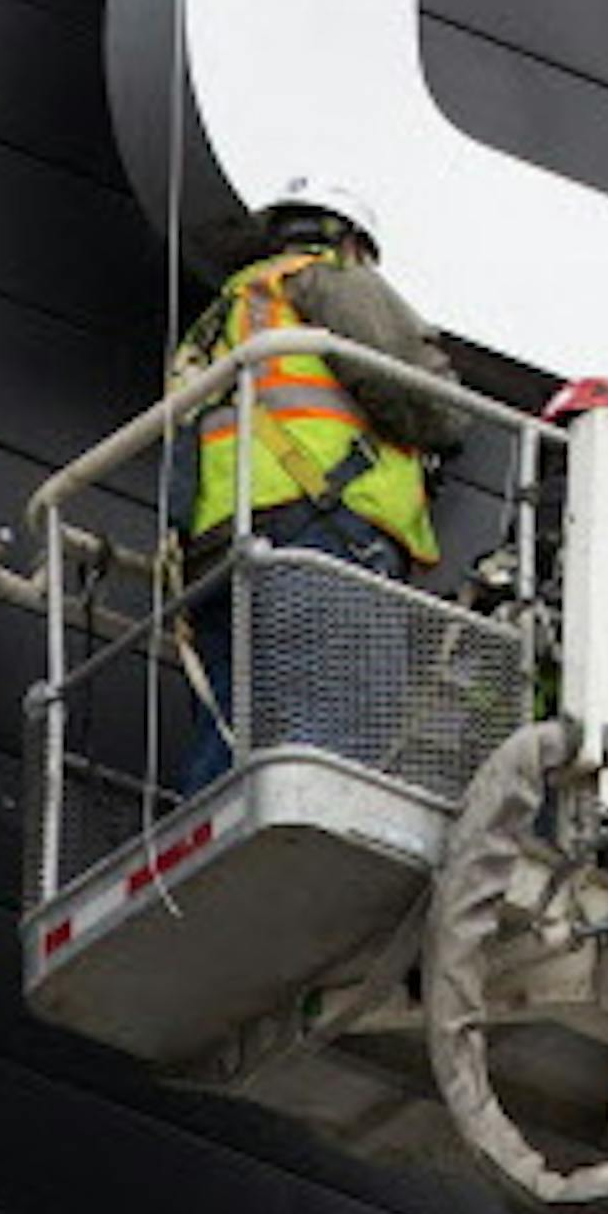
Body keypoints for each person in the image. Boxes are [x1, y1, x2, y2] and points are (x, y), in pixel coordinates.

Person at [169, 186, 466, 793]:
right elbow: (429, 403)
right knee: (336, 733)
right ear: (350, 243)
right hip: (320, 531)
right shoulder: (325, 281)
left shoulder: (218, 325)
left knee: (233, 726)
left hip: (216, 547)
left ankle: (212, 835)